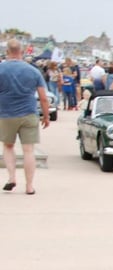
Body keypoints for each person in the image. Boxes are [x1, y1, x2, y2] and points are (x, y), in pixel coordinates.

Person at [0, 39, 49, 195]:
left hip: (6, 113)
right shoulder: (33, 71)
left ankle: (12, 177)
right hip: (29, 112)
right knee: (28, 150)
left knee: (8, 146)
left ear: (7, 52)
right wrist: (46, 116)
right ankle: (29, 186)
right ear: (22, 52)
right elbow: (43, 97)